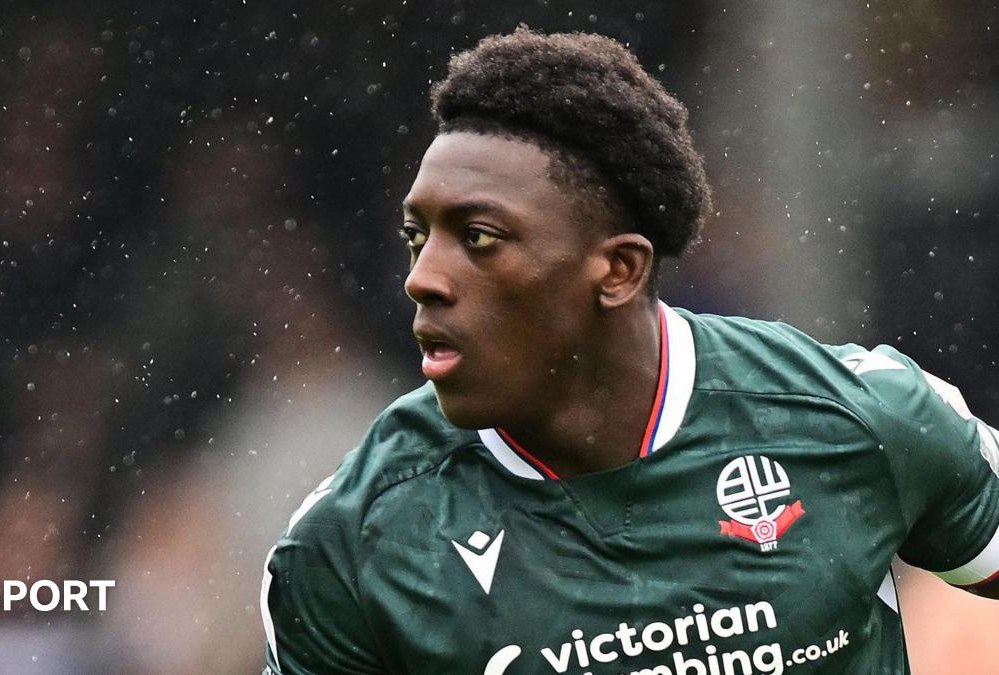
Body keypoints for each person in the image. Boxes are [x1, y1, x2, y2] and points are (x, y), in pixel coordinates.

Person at [259, 28, 999, 674]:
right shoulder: (353, 543)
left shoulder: (858, 417)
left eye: (478, 238)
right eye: (418, 238)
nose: (422, 278)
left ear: (618, 270)